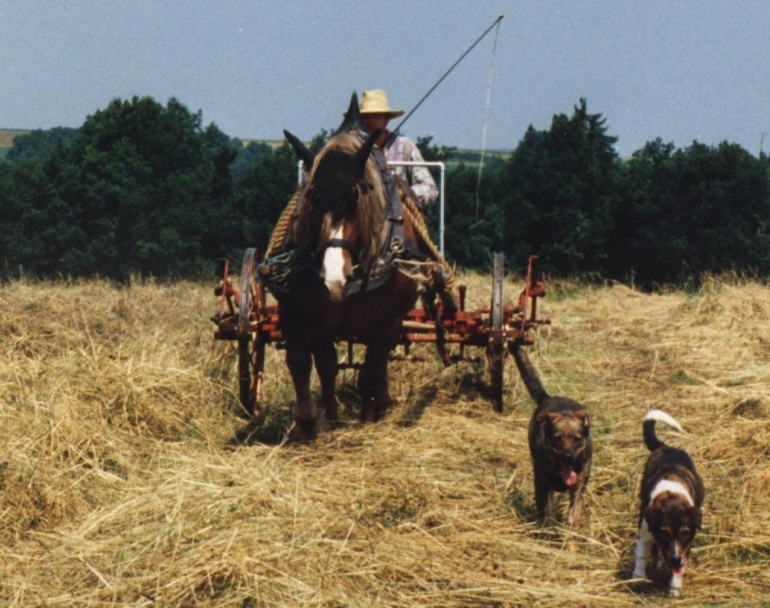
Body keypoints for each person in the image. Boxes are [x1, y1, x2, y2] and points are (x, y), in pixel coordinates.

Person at [359, 89, 439, 211]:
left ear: (386, 120)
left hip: (399, 218)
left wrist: (404, 191)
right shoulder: (354, 149)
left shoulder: (405, 146)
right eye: (365, 117)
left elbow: (430, 188)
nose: (370, 121)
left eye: (376, 116)